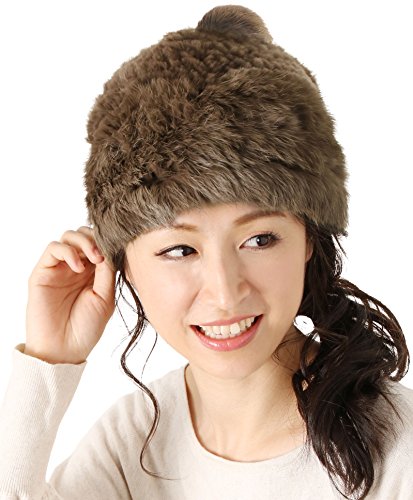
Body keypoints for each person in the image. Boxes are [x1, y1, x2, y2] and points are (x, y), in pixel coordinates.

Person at [0, 4, 412, 500]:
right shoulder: (133, 443)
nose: (224, 293)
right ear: (122, 264)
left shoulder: (399, 453)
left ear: (308, 238)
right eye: (180, 249)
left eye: (259, 240)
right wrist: (49, 359)